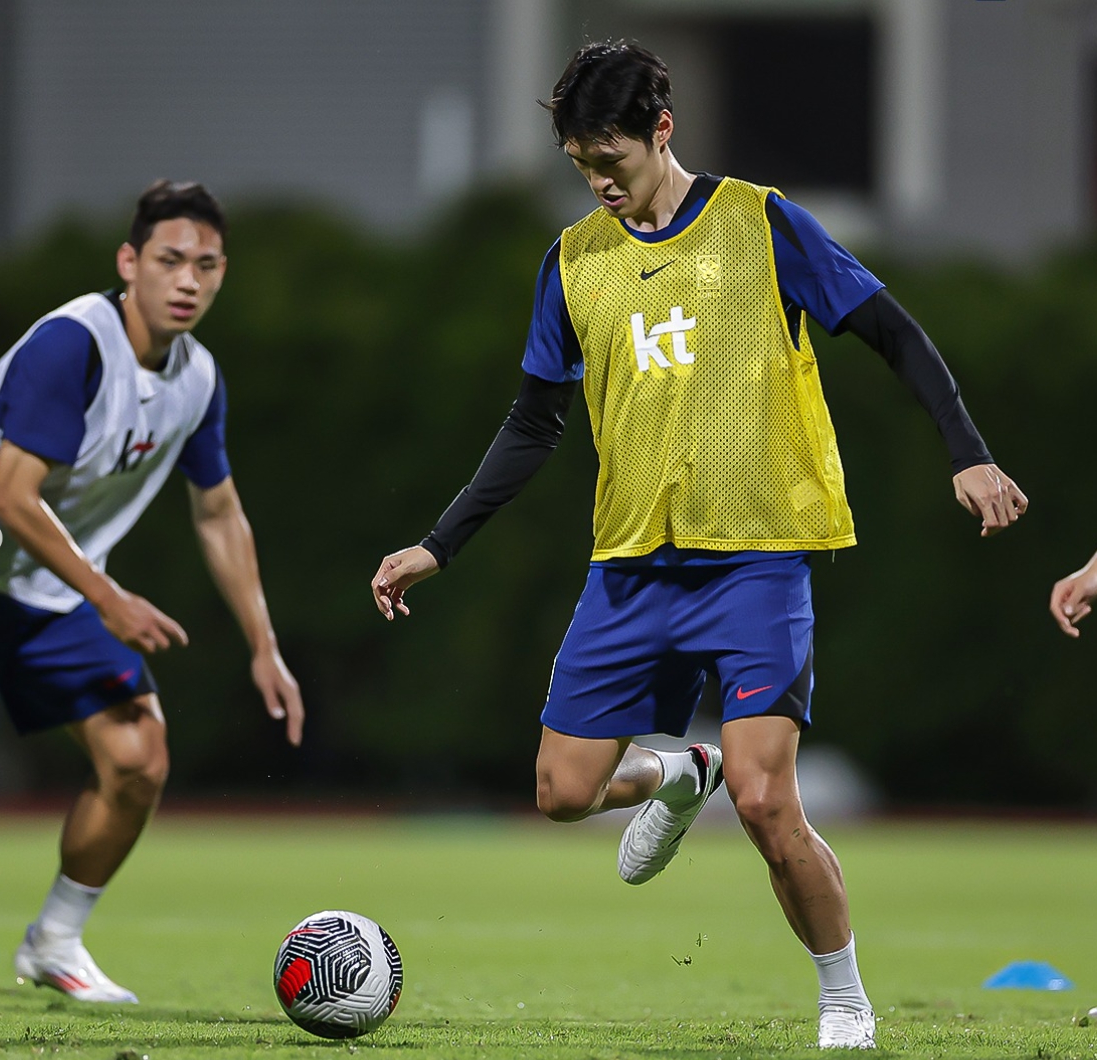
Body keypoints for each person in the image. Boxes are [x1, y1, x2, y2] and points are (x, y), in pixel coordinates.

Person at [370, 41, 1026, 1049]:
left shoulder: (762, 223)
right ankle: (680, 774)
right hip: (632, 570)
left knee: (769, 802)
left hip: (759, 559)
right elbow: (532, 422)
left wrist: (969, 455)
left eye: (614, 162)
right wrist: (438, 544)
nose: (601, 185)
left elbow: (894, 329)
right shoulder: (573, 260)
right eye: (583, 166)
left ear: (661, 131)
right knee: (560, 795)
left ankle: (843, 994)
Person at [0, 180, 303, 1004]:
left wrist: (264, 645)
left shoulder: (198, 380)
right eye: (169, 260)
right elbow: (12, 499)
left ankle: (53, 941)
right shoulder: (73, 346)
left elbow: (220, 512)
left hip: (45, 590)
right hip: (0, 561)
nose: (188, 279)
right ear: (130, 263)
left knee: (136, 756)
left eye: (206, 264)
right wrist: (111, 598)